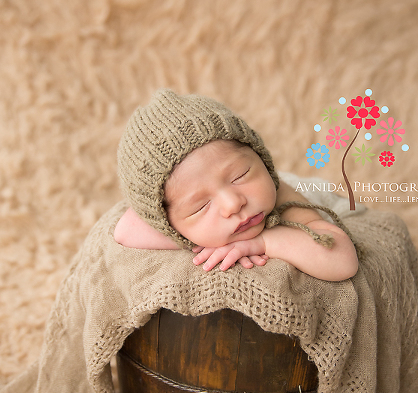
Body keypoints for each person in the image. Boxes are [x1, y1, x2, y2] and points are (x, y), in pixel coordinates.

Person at [114, 89, 358, 281]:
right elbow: (125, 229)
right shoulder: (168, 218)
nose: (233, 203)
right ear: (168, 224)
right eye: (201, 206)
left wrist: (263, 242)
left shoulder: (283, 195)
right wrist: (195, 239)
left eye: (240, 175)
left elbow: (343, 260)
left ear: (261, 159)